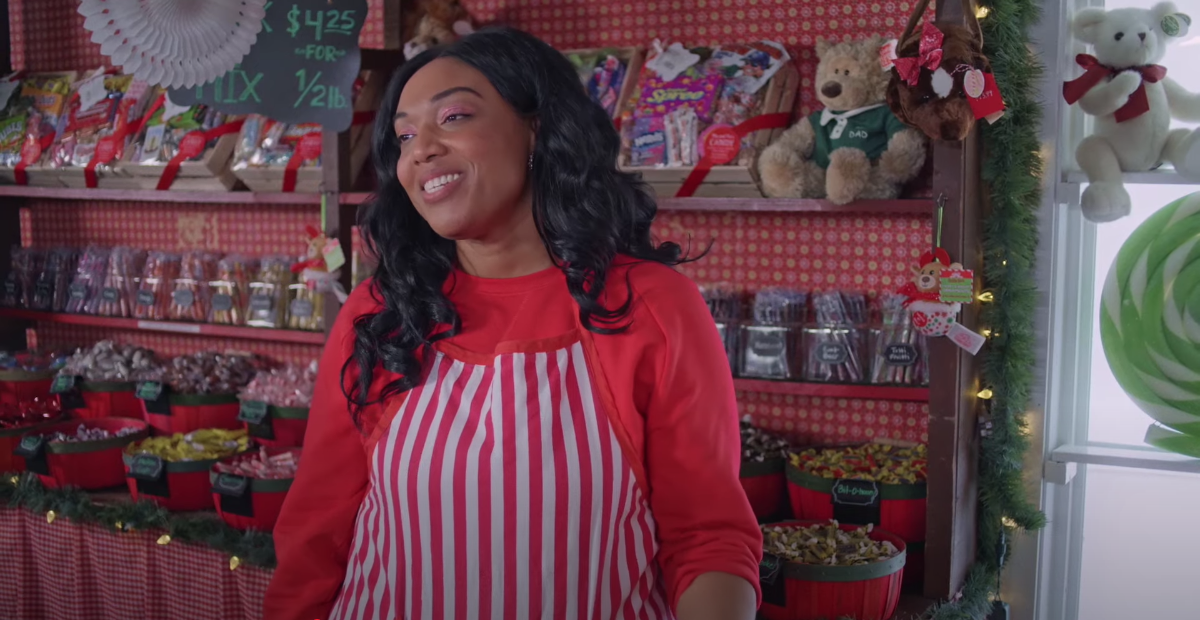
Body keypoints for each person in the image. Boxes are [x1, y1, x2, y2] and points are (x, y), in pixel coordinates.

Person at [264, 26, 761, 620]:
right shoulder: (380, 311)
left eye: (453, 117)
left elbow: (707, 535)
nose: (420, 149)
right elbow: (316, 528)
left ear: (537, 128)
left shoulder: (650, 305)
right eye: (404, 135)